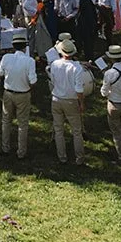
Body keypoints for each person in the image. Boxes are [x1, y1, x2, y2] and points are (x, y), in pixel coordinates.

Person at [0, 29, 38, 158]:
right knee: (23, 123)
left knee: (6, 121)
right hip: (23, 94)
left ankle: (5, 147)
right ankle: (21, 152)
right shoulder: (29, 61)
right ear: (25, 47)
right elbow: (33, 81)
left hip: (8, 92)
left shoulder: (6, 58)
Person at [48, 36, 89, 164]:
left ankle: (62, 157)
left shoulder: (54, 64)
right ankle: (79, 158)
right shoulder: (77, 68)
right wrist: (81, 103)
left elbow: (53, 81)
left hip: (56, 99)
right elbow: (79, 89)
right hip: (71, 100)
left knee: (58, 129)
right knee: (76, 131)